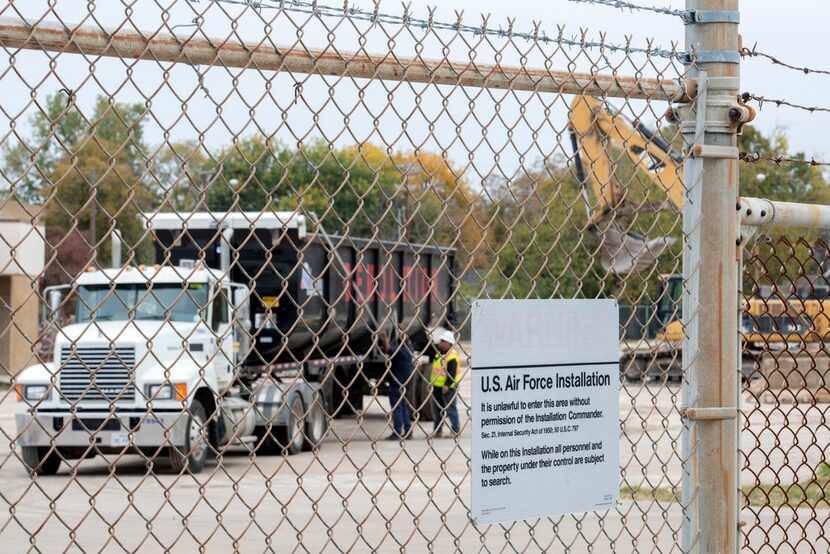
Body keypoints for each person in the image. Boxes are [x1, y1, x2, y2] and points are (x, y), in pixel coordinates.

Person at [381, 329, 413, 440]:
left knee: (397, 408)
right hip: (406, 384)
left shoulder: (400, 351)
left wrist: (384, 336)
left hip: (396, 384)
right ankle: (408, 429)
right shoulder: (410, 349)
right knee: (403, 407)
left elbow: (387, 349)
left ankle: (397, 431)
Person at [430, 329, 460, 438]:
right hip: (437, 386)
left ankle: (455, 430)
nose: (441, 343)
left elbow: (451, 373)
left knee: (451, 409)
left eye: (443, 341)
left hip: (448, 388)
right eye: (441, 340)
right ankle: (437, 430)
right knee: (437, 410)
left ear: (449, 343)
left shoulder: (452, 356)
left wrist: (447, 385)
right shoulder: (439, 354)